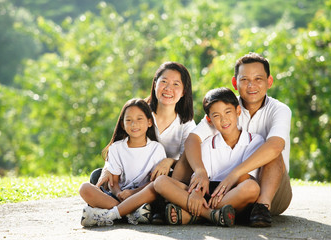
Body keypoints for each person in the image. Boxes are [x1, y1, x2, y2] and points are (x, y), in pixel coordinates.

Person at [172, 52, 292, 227]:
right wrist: (200, 171)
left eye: (258, 79)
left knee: (273, 151)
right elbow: (192, 139)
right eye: (244, 80)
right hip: (225, 191)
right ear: (235, 83)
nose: (251, 85)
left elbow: (275, 146)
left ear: (269, 81)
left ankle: (260, 208)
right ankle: (175, 200)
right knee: (188, 154)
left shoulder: (279, 109)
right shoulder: (225, 106)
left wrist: (234, 174)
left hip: (270, 188)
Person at [81, 62, 196, 226]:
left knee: (165, 182)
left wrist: (169, 161)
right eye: (164, 81)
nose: (168, 88)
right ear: (155, 83)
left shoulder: (187, 124)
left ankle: (117, 211)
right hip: (128, 177)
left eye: (176, 84)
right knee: (96, 177)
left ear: (183, 91)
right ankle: (132, 211)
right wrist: (108, 169)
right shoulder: (139, 111)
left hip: (159, 181)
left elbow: (189, 161)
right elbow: (118, 144)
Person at [152, 87, 265, 226]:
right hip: (207, 192)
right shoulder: (207, 144)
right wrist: (196, 193)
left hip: (231, 193)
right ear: (209, 120)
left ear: (238, 111)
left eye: (228, 112)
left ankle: (196, 215)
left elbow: (245, 177)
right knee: (160, 182)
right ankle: (212, 215)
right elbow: (200, 178)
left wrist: (217, 195)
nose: (223, 119)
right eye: (216, 116)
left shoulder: (255, 140)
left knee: (252, 188)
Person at [79, 98, 166, 226]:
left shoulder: (156, 148)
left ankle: (111, 214)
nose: (134, 124)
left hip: (144, 197)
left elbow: (155, 182)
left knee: (157, 188)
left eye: (139, 119)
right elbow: (113, 181)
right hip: (120, 196)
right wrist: (119, 193)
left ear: (149, 122)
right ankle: (130, 214)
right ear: (122, 125)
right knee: (84, 188)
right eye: (129, 120)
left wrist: (132, 194)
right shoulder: (116, 147)